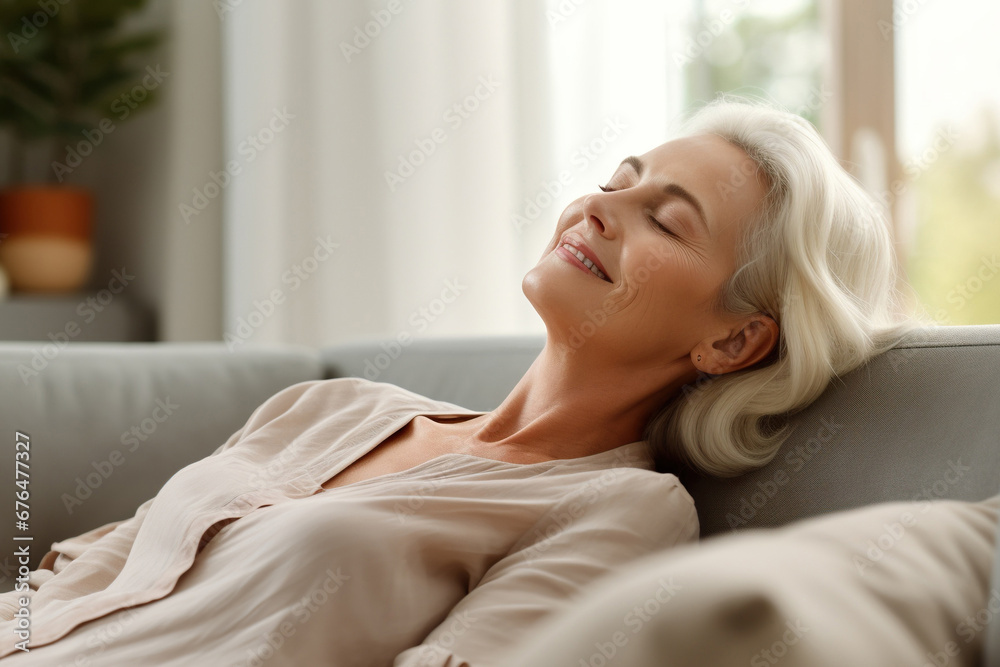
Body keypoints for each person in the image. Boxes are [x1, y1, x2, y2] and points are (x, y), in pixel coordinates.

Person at [0, 96, 922, 666]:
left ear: (733, 342)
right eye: (616, 179)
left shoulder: (622, 509)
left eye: (665, 221)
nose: (600, 207)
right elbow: (83, 571)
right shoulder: (335, 404)